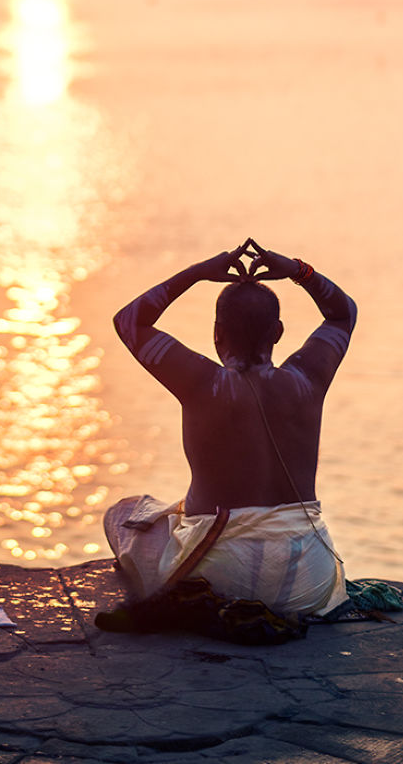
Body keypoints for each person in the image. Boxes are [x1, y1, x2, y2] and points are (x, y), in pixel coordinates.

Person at [105, 240, 356, 617]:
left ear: (217, 333)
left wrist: (197, 273)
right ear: (278, 331)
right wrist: (298, 272)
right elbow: (342, 314)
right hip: (309, 578)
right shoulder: (310, 376)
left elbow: (129, 320)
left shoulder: (201, 382)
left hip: (218, 576)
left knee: (122, 514)